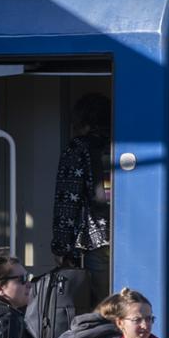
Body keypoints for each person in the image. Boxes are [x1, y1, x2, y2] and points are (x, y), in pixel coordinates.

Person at [51, 93, 112, 288]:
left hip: (97, 237)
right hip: (125, 233)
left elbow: (67, 200)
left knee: (102, 305)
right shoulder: (122, 144)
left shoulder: (78, 148)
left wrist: (61, 246)